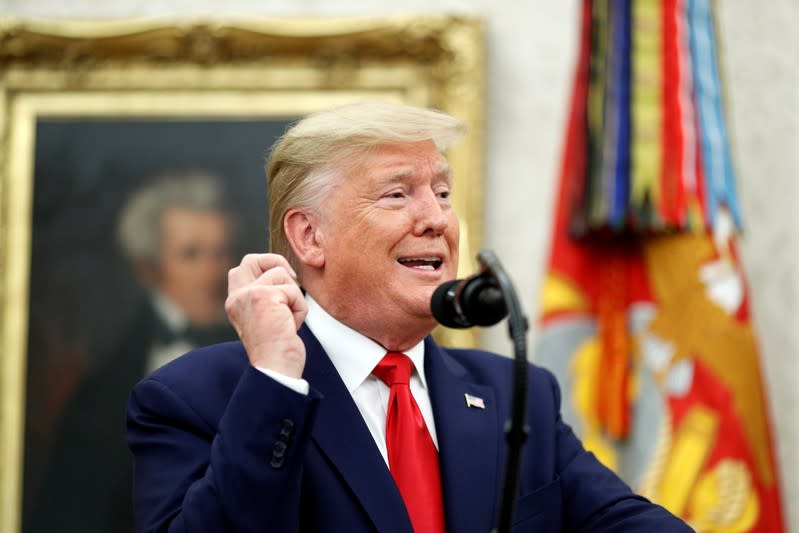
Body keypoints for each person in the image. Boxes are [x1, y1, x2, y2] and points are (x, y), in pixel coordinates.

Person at [126, 101, 693, 532]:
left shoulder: (514, 395)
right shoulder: (196, 398)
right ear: (309, 235)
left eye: (442, 193)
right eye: (397, 196)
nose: (436, 219)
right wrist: (276, 379)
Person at [30, 172, 238, 533]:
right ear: (148, 270)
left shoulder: (265, 355)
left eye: (221, 252)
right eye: (191, 254)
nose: (215, 271)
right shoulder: (99, 393)